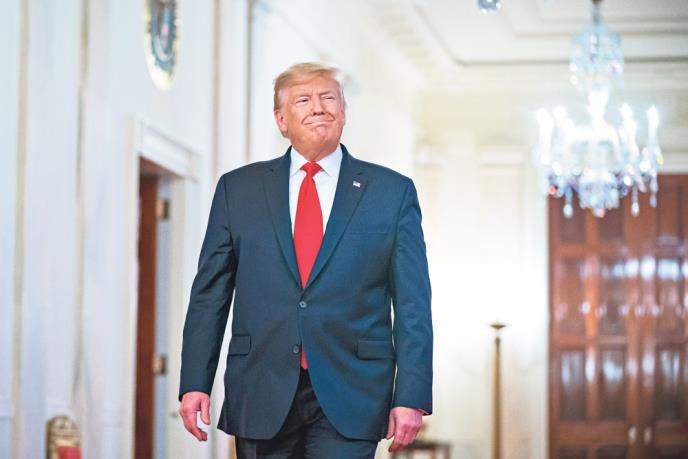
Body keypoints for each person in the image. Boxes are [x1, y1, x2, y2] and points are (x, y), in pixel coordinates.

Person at [178, 62, 433, 459]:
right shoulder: (238, 190)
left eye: (328, 97)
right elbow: (210, 295)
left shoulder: (392, 193)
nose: (318, 107)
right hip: (261, 386)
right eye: (303, 100)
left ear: (343, 113)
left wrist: (411, 394)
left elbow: (413, 303)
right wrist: (195, 381)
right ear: (281, 120)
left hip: (354, 390)